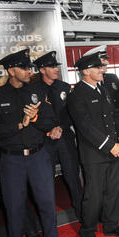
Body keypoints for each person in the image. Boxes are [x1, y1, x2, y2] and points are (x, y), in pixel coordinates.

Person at [0, 49, 61, 237]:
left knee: (47, 204)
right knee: (14, 209)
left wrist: (37, 118)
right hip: (12, 162)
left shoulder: (37, 92)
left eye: (30, 67)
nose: (29, 71)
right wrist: (20, 124)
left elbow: (49, 120)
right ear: (11, 71)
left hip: (38, 157)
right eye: (24, 68)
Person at [67, 52, 119, 237]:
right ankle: (87, 231)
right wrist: (110, 145)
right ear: (85, 71)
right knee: (93, 195)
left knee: (113, 190)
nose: (102, 70)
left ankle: (111, 225)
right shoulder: (76, 94)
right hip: (95, 154)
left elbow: (114, 114)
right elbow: (85, 127)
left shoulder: (103, 89)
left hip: (113, 149)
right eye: (98, 67)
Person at [31, 51, 84, 221]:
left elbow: (71, 112)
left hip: (65, 138)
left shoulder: (64, 87)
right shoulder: (33, 91)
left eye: (56, 66)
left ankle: (82, 214)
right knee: (45, 183)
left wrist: (60, 127)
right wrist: (49, 130)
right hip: (44, 141)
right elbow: (33, 118)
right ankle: (48, 220)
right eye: (52, 67)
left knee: (73, 178)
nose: (56, 69)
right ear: (42, 70)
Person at [82, 45, 119, 214]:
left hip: (115, 129)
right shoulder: (81, 91)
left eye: (104, 62)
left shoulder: (111, 78)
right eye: (100, 63)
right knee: (99, 182)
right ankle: (103, 211)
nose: (104, 66)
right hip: (98, 139)